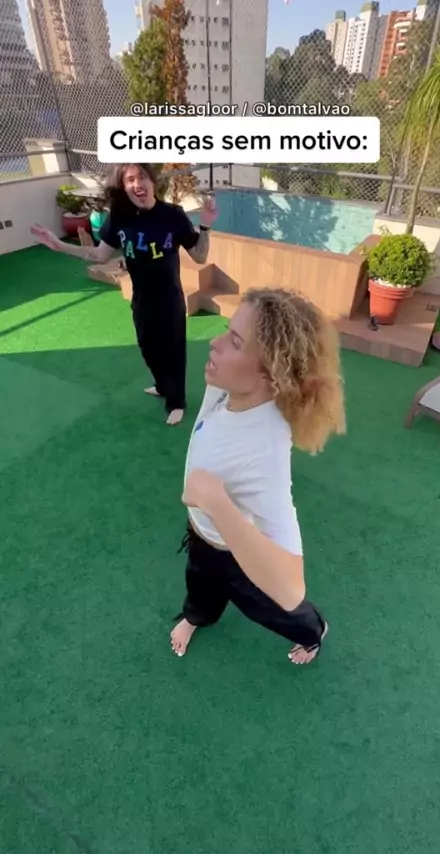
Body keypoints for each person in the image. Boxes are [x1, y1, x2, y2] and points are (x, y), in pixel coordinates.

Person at [172, 287, 346, 666]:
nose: (215, 343)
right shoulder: (226, 387)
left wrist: (215, 502)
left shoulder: (263, 455)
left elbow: (290, 588)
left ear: (272, 373)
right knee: (199, 585)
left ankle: (313, 633)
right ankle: (196, 616)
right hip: (201, 535)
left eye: (235, 342)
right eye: (226, 331)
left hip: (234, 554)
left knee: (267, 608)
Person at [31, 163, 218, 425]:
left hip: (169, 300)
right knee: (147, 348)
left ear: (152, 182)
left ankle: (176, 401)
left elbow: (199, 256)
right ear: (124, 186)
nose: (137, 184)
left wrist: (205, 226)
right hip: (141, 300)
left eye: (141, 177)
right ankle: (162, 386)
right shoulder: (120, 217)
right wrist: (60, 246)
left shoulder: (172, 215)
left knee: (173, 352)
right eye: (130, 180)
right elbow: (100, 254)